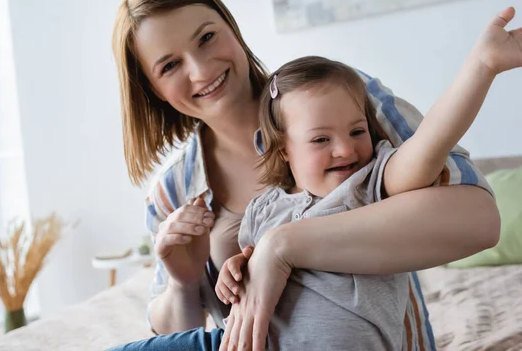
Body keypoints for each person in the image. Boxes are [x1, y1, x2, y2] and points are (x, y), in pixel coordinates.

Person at [108, 0, 502, 350]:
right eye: (170, 65)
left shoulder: (339, 100)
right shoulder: (173, 192)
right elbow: (184, 329)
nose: (201, 69)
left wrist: (283, 246)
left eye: (207, 37)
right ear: (153, 88)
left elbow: (480, 222)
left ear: (232, 28)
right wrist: (183, 282)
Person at [213, 22, 522, 348]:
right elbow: (248, 273)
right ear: (283, 150)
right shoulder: (263, 209)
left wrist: (482, 66)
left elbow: (430, 143)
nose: (346, 149)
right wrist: (233, 272)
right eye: (321, 139)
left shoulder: (367, 185)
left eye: (357, 132)